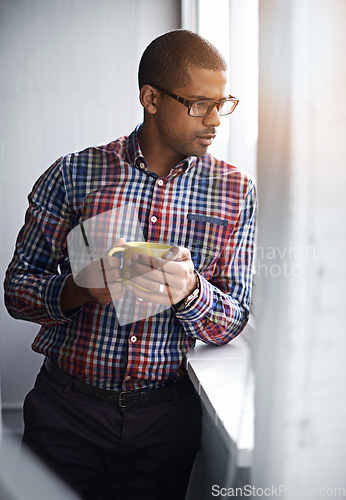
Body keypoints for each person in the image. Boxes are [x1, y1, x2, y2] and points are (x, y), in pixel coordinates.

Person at [4, 29, 256, 500]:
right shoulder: (74, 174)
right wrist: (77, 288)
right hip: (66, 413)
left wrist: (190, 291)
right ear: (151, 98)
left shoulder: (235, 191)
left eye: (224, 104)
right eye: (200, 104)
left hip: (167, 420)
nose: (216, 120)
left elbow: (232, 321)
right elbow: (17, 290)